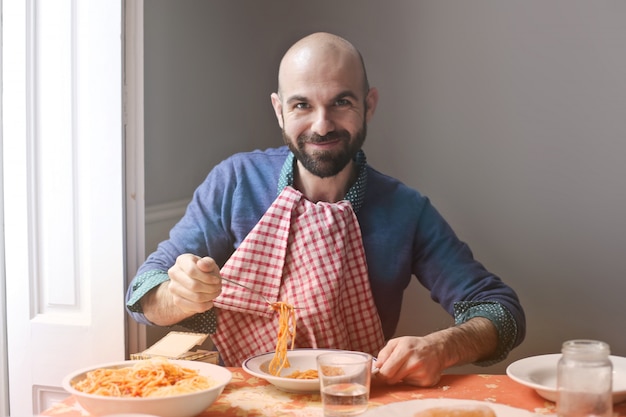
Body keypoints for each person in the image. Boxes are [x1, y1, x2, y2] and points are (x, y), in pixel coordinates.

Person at [126, 32, 525, 387]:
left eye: (341, 102)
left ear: (368, 106)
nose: (322, 125)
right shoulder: (235, 182)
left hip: (352, 399)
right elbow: (143, 293)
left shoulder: (406, 210)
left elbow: (502, 311)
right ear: (279, 109)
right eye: (302, 105)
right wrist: (181, 296)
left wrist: (442, 347)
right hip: (248, 399)